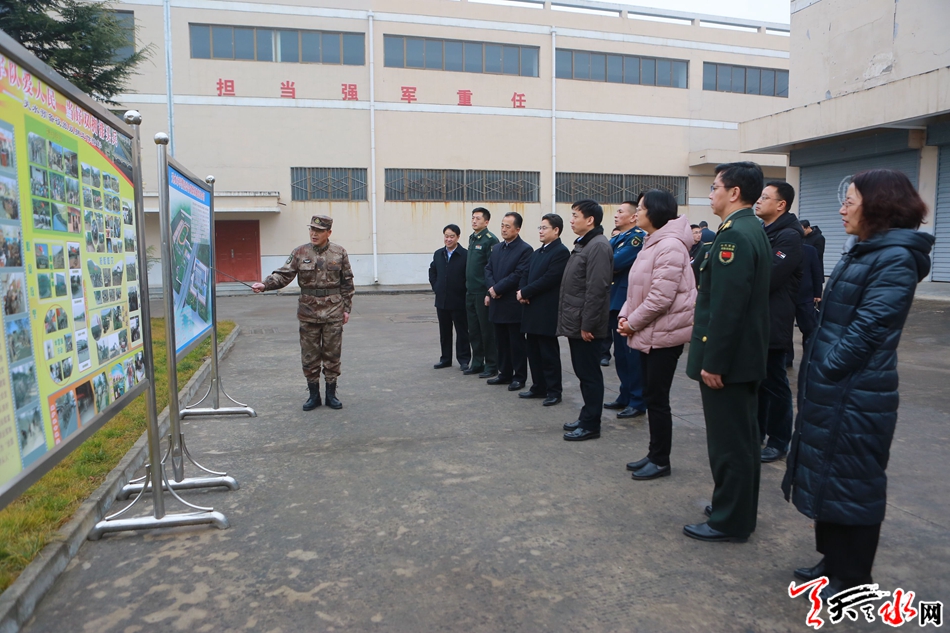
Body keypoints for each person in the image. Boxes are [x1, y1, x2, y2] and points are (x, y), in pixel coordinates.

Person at [782, 169, 934, 597]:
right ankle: (832, 562)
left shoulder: (895, 258)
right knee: (830, 475)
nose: (841, 209)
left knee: (854, 481)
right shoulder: (864, 250)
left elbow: (870, 328)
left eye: (850, 201)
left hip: (857, 390)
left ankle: (853, 578)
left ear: (879, 206)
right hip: (836, 387)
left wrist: (828, 367)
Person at [684, 162, 770, 543]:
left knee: (730, 443)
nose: (710, 193)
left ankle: (729, 520)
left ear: (734, 192)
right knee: (743, 439)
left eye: (715, 186)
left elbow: (727, 307)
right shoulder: (746, 228)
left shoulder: (736, 236)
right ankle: (735, 507)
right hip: (743, 357)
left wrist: (714, 362)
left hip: (729, 362)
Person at [618, 190, 696, 480]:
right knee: (652, 395)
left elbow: (660, 297)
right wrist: (625, 315)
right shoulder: (652, 243)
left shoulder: (671, 246)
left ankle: (661, 459)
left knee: (658, 398)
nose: (636, 213)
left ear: (656, 211)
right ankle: (653, 453)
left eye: (640, 208)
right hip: (648, 329)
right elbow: (635, 289)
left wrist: (632, 323)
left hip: (665, 333)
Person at [252, 215, 354, 411]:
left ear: (328, 233)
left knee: (332, 354)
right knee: (309, 355)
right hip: (308, 311)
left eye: (319, 231)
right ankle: (313, 395)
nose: (314, 234)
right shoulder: (300, 252)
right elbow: (284, 275)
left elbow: (347, 282)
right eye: (311, 229)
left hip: (333, 310)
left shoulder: (339, 253)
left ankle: (331, 395)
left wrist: (346, 309)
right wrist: (265, 285)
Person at [753, 181, 803, 463]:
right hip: (759, 320)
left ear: (781, 205)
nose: (758, 202)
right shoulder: (765, 231)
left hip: (774, 320)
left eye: (764, 198)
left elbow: (767, 277)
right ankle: (757, 432)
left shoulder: (789, 236)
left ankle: (780, 440)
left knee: (775, 382)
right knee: (758, 381)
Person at [559, 199, 613, 441]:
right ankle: (586, 416)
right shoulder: (585, 244)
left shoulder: (598, 246)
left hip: (585, 324)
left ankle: (591, 424)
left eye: (575, 215)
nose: (571, 220)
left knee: (590, 375)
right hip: (576, 320)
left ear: (590, 220)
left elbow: (596, 289)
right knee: (583, 373)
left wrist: (587, 325)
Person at [517, 214, 570, 406]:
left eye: (544, 228)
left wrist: (526, 291)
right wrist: (522, 291)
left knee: (548, 353)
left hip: (546, 309)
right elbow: (525, 273)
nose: (540, 231)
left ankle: (554, 390)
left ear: (556, 230)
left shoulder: (561, 252)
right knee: (533, 351)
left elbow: (550, 278)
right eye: (539, 228)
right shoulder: (537, 252)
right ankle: (538, 386)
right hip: (531, 308)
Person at [604, 200, 647, 420]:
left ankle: (638, 400)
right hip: (614, 301)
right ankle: (625, 394)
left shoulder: (636, 238)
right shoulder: (618, 238)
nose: (616, 215)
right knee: (620, 354)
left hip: (627, 302)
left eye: (621, 212)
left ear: (632, 217)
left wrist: (604, 266)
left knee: (632, 355)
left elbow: (612, 263)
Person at [485, 212, 533, 391]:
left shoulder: (525, 249)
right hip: (496, 302)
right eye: (502, 225)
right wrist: (491, 288)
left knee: (516, 344)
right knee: (501, 342)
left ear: (517, 229)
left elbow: (518, 274)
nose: (504, 229)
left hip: (512, 304)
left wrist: (497, 289)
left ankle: (519, 377)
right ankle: (503, 373)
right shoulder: (497, 248)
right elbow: (488, 269)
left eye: (508, 226)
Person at [428, 224, 470, 370]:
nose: (448, 239)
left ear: (458, 237)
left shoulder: (465, 255)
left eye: (452, 236)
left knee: (462, 332)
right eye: (446, 236)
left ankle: (464, 360)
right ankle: (445, 358)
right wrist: (436, 287)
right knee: (444, 332)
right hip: (442, 300)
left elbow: (468, 276)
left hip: (459, 300)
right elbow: (432, 271)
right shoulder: (438, 254)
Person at [465, 208, 499, 378]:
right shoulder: (472, 238)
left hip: (482, 292)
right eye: (472, 218)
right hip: (470, 292)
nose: (474, 221)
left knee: (486, 330)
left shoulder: (490, 240)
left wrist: (488, 292)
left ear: (486, 222)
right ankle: (477, 362)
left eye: (478, 218)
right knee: (473, 330)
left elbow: (491, 268)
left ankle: (492, 364)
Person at [786, 243, 823, 367]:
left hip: (806, 296)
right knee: (785, 330)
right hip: (786, 296)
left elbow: (817, 271)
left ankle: (809, 356)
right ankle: (787, 359)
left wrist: (818, 293)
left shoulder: (810, 250)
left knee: (808, 329)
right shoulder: (782, 248)